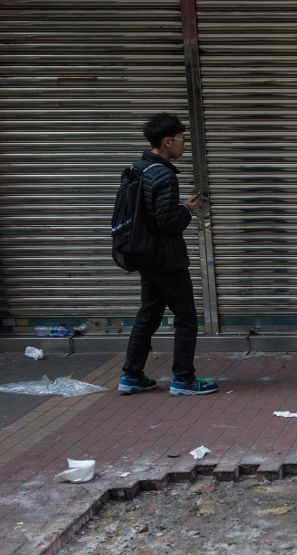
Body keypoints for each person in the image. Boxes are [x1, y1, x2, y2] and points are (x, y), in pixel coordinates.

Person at [118, 113, 218, 397]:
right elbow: (166, 222)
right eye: (182, 140)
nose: (184, 145)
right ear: (167, 141)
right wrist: (187, 210)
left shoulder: (136, 169)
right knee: (186, 317)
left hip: (143, 256)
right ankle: (184, 379)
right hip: (166, 259)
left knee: (148, 315)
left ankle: (131, 375)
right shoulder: (163, 174)